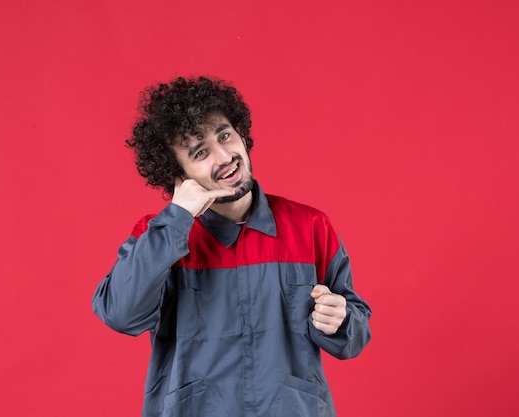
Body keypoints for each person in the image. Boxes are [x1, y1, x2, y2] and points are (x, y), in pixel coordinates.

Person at [92, 76, 372, 417]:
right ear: (179, 175)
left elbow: (355, 333)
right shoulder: (158, 236)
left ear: (242, 135)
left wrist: (340, 319)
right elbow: (121, 314)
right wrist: (177, 219)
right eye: (200, 152)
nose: (225, 156)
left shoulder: (310, 226)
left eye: (225, 136)